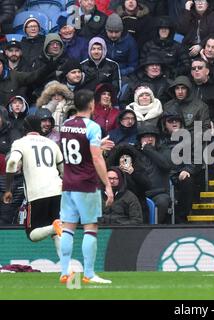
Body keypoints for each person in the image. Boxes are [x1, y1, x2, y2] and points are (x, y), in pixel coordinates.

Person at [58, 89, 114, 284]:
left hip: (68, 182)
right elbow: (96, 158)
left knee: (68, 228)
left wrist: (98, 145)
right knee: (90, 227)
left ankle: (65, 271)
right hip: (86, 183)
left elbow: (76, 147)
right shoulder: (93, 127)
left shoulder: (65, 125)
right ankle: (89, 274)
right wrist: (107, 184)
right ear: (91, 105)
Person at [2, 115, 64, 259]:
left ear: (25, 128)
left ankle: (54, 226)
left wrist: (8, 189)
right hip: (56, 190)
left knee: (32, 234)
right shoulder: (51, 143)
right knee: (56, 233)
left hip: (37, 193)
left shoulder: (21, 142)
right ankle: (66, 269)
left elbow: (11, 163)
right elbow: (63, 171)